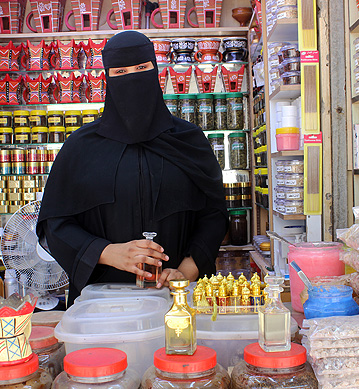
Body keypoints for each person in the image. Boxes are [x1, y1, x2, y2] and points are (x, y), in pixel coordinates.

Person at [37, 31, 228, 305]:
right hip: (102, 304)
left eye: (141, 68)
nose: (132, 77)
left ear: (155, 71)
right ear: (107, 78)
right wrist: (105, 252)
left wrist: (185, 272)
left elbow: (214, 215)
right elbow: (56, 225)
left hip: (177, 300)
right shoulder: (81, 148)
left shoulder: (189, 140)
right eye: (120, 71)